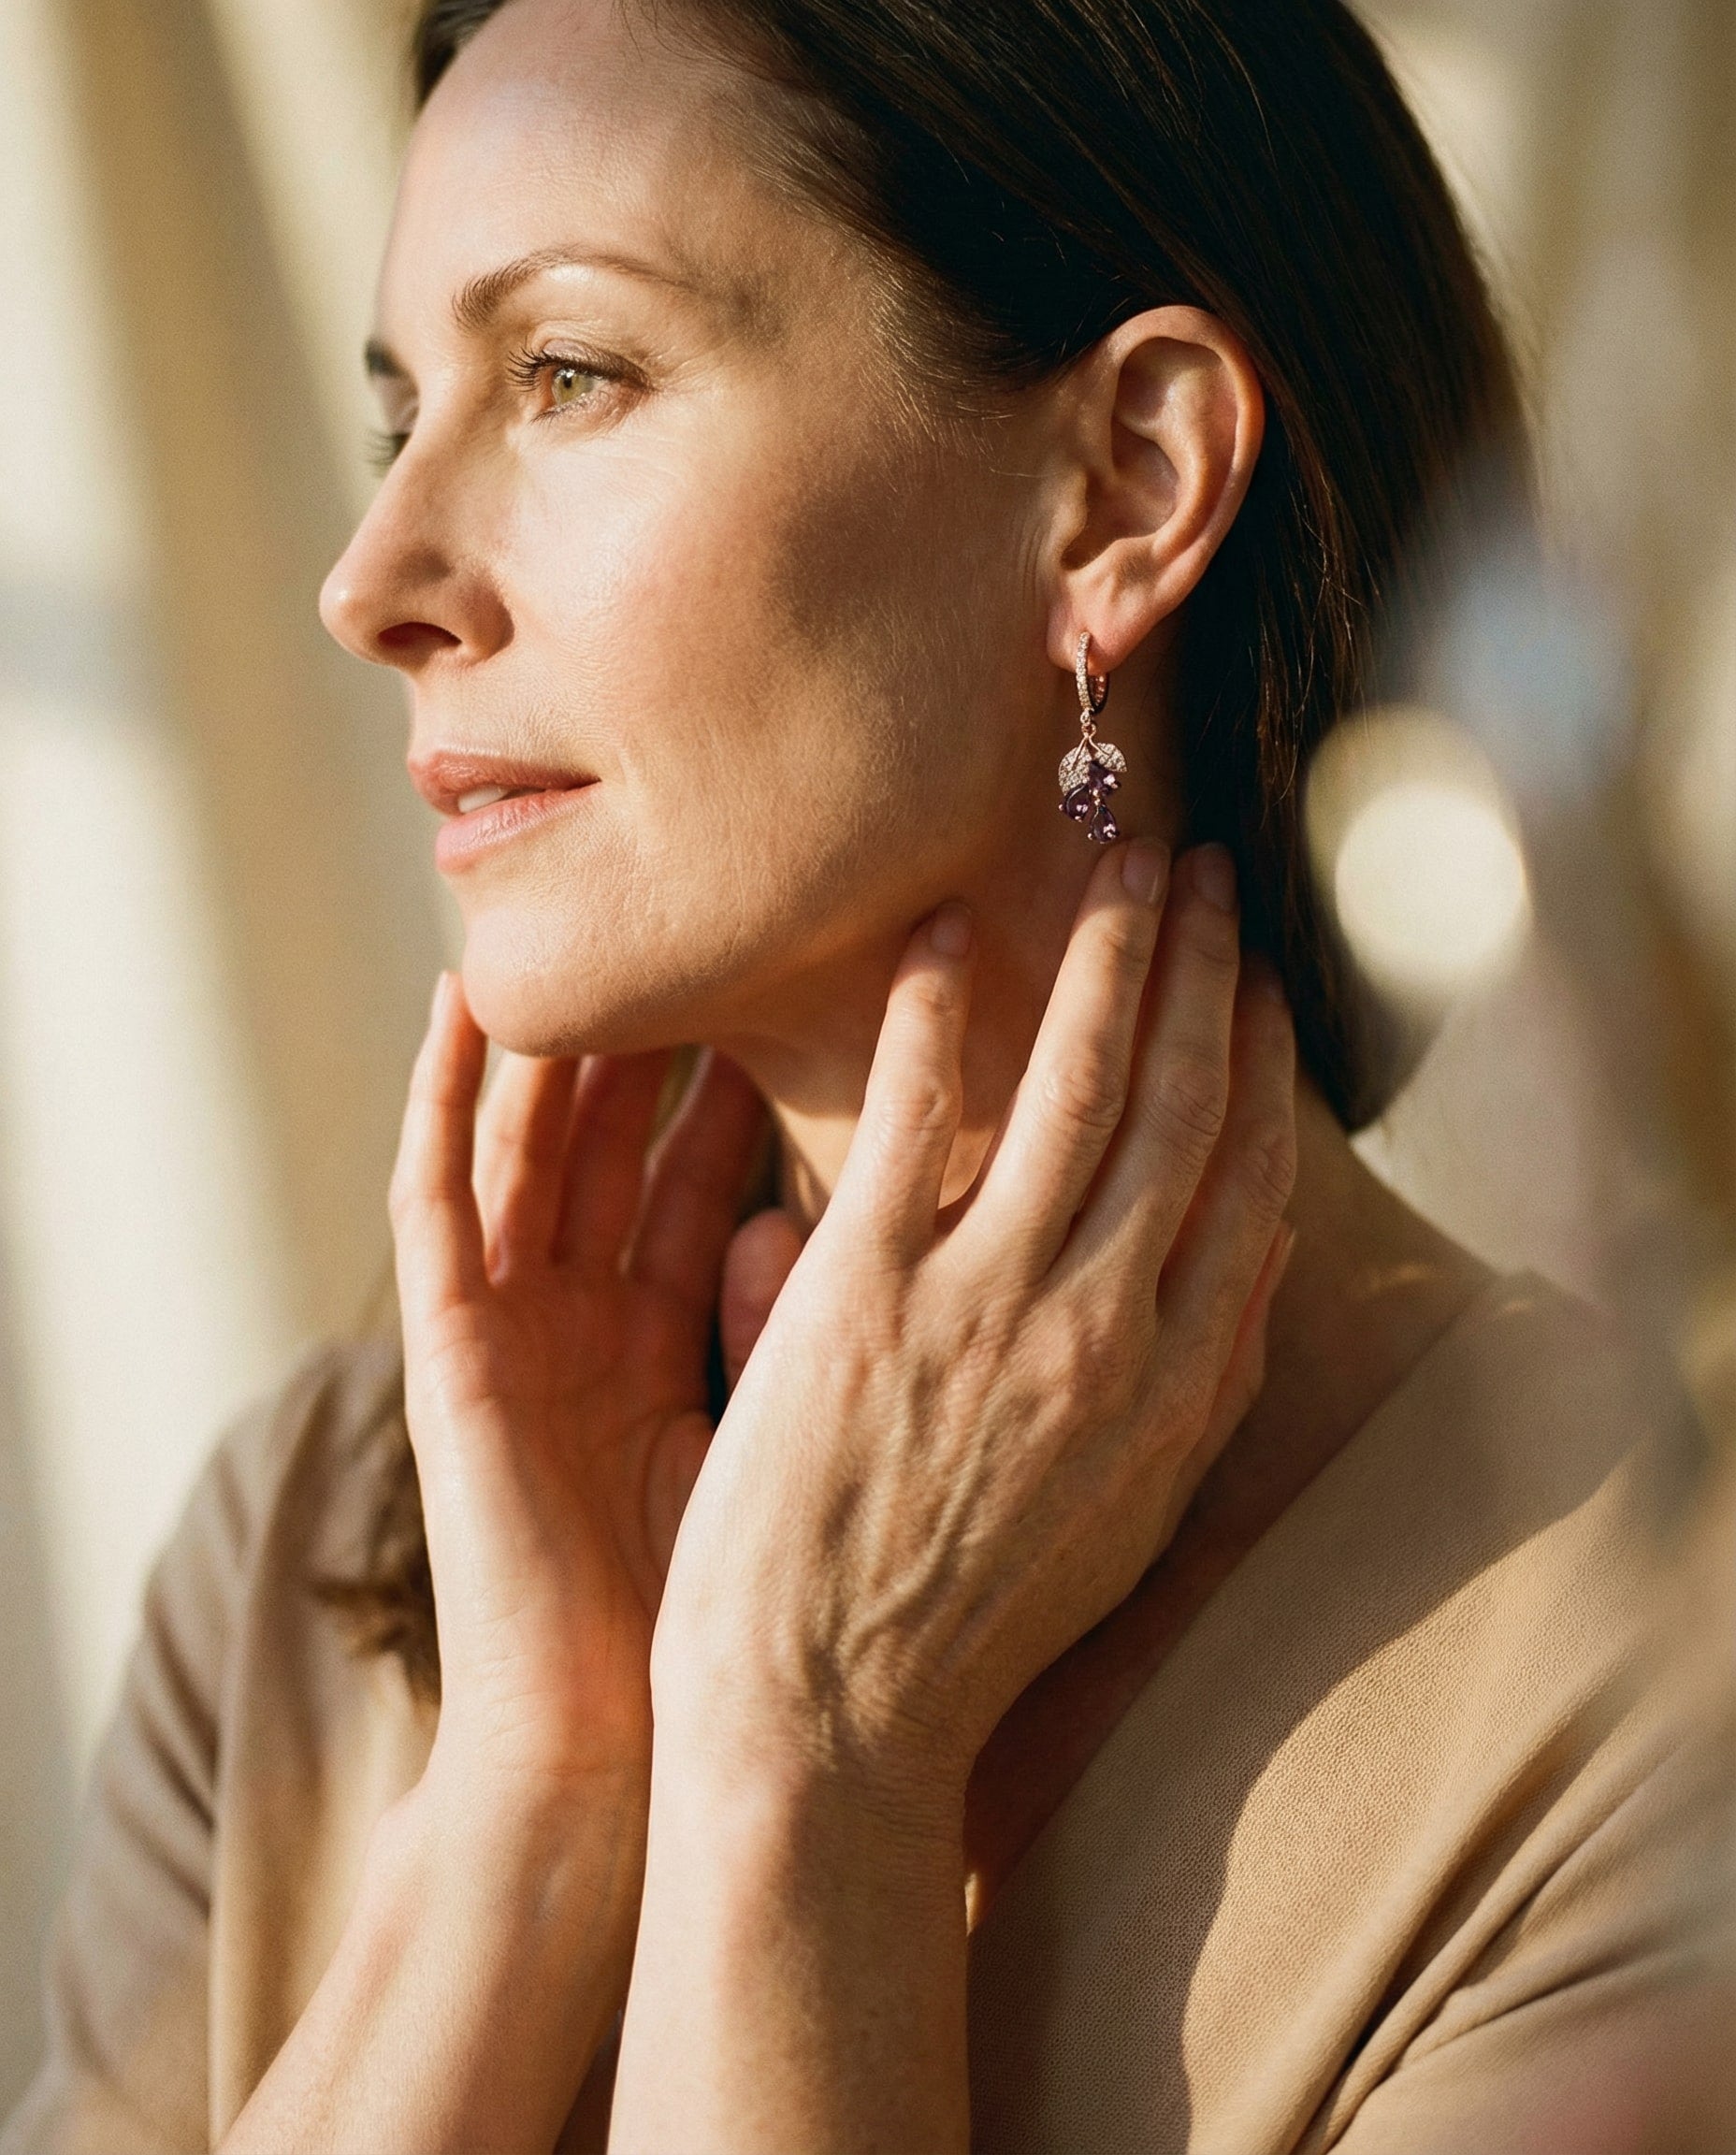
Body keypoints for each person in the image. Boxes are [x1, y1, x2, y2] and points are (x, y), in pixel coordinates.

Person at [4, 1, 1715, 2149]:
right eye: (396, 420)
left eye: (565, 376)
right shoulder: (314, 1565)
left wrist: (814, 1747)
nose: (375, 585)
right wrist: (537, 1788)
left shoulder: (1661, 1679)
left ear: (1126, 482)